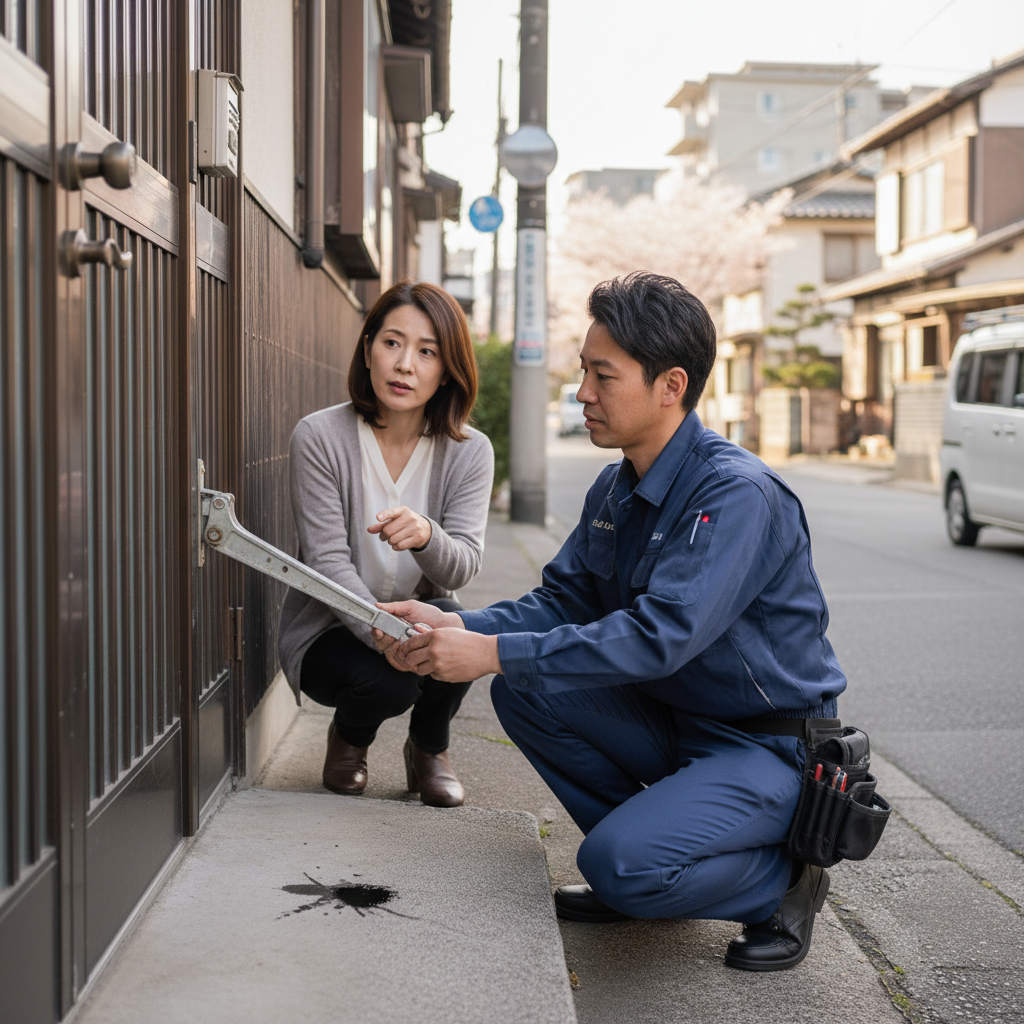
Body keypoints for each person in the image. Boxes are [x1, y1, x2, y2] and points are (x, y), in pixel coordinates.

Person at [374, 272, 847, 971]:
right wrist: (455, 624)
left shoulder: (737, 495)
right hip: (678, 721)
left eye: (603, 376)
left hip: (766, 746)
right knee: (527, 687)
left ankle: (780, 881)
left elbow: (660, 636)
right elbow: (561, 602)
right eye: (584, 372)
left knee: (615, 862)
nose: (582, 393)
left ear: (671, 386)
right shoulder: (617, 484)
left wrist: (491, 651)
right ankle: (653, 868)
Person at [278, 281, 494, 808]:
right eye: (392, 343)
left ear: (447, 370)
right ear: (368, 346)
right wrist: (383, 630)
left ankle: (429, 749)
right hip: (330, 630)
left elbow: (463, 564)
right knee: (389, 682)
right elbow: (326, 562)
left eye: (427, 352)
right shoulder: (320, 436)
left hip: (415, 618)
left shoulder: (470, 451)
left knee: (460, 625)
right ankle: (350, 740)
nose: (405, 365)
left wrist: (426, 534)